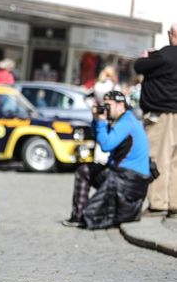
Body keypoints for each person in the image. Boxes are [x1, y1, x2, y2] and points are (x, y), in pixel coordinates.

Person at [62, 91, 151, 229]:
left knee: (91, 215)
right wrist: (96, 119)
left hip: (128, 180)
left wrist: (102, 122)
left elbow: (106, 145)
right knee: (84, 170)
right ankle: (77, 216)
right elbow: (97, 136)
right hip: (122, 175)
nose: (106, 109)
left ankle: (81, 216)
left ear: (120, 105)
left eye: (108, 105)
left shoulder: (126, 122)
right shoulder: (122, 120)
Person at [133, 24, 177, 216]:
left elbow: (139, 66)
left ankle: (158, 203)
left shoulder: (164, 55)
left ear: (173, 35)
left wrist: (148, 56)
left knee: (158, 157)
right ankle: (174, 203)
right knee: (175, 161)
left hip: (162, 114)